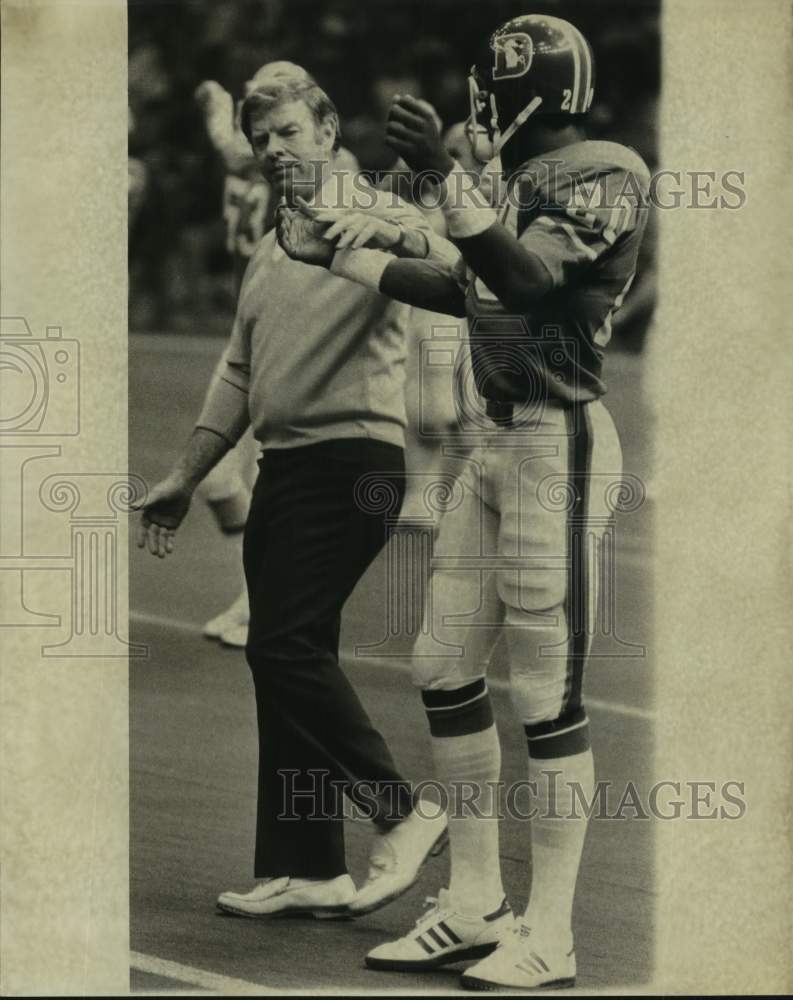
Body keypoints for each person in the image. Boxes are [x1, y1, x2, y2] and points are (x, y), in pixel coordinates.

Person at [278, 14, 649, 988]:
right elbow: (468, 288)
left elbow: (527, 281)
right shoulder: (513, 182)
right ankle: (475, 902)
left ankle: (551, 931)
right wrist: (341, 256)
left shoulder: (607, 168)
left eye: (489, 87)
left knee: (543, 692)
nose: (476, 106)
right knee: (441, 663)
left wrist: (444, 186)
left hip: (553, 441)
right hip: (492, 439)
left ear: (533, 92)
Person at [137, 75, 458, 918]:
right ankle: (308, 866)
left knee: (281, 647)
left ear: (325, 129)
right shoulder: (270, 245)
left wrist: (390, 232)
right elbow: (239, 370)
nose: (274, 150)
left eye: (287, 132)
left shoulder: (367, 207)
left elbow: (449, 260)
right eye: (260, 139)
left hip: (353, 462)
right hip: (284, 466)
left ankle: (403, 809)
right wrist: (185, 476)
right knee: (285, 656)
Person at [194, 62, 360, 647]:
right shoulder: (256, 155)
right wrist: (220, 106)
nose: (271, 142)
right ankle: (254, 598)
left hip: (299, 344)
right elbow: (233, 146)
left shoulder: (333, 176)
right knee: (215, 480)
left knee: (269, 482)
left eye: (286, 129)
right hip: (250, 333)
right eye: (260, 127)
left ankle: (257, 604)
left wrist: (213, 100)